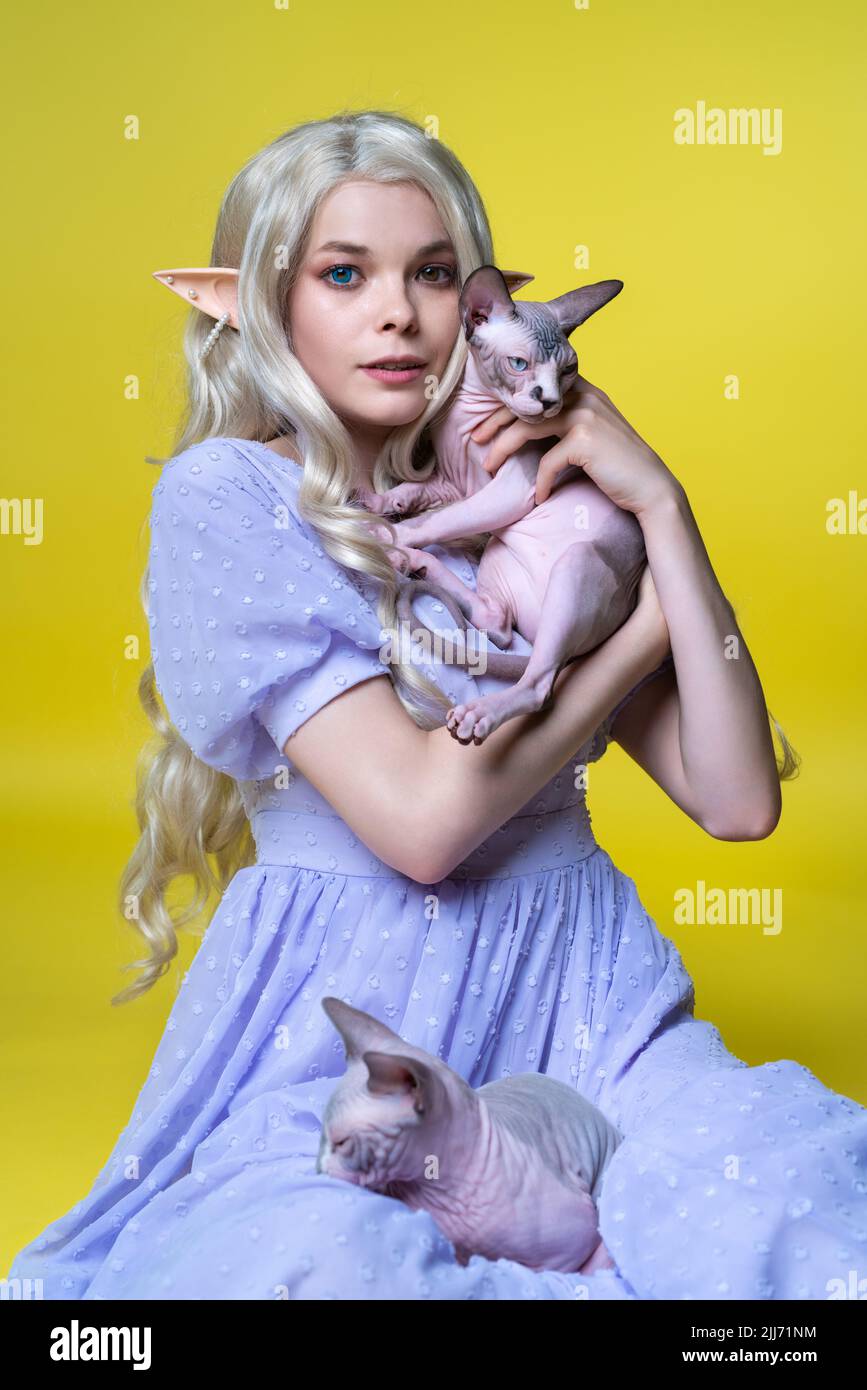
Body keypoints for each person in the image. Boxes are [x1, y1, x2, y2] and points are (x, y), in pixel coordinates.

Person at [8, 110, 866, 1302]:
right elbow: (422, 827)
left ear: (481, 305)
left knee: (788, 1201)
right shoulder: (233, 498)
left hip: (583, 998)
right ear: (259, 301)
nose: (397, 312)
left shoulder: (513, 497)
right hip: (357, 1027)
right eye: (343, 273)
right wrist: (634, 636)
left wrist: (666, 512)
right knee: (314, 1262)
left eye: (429, 275)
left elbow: (736, 803)